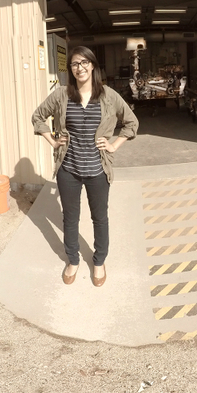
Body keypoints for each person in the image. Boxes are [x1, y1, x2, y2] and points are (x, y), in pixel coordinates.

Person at [31, 46, 138, 287]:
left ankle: (99, 261)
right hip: (68, 169)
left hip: (98, 170)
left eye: (84, 63)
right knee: (70, 218)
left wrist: (114, 145)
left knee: (99, 218)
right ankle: (72, 260)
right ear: (70, 69)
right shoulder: (62, 95)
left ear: (92, 65)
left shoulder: (109, 95)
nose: (79, 68)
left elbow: (131, 122)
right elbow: (38, 116)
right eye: (74, 64)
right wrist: (53, 140)